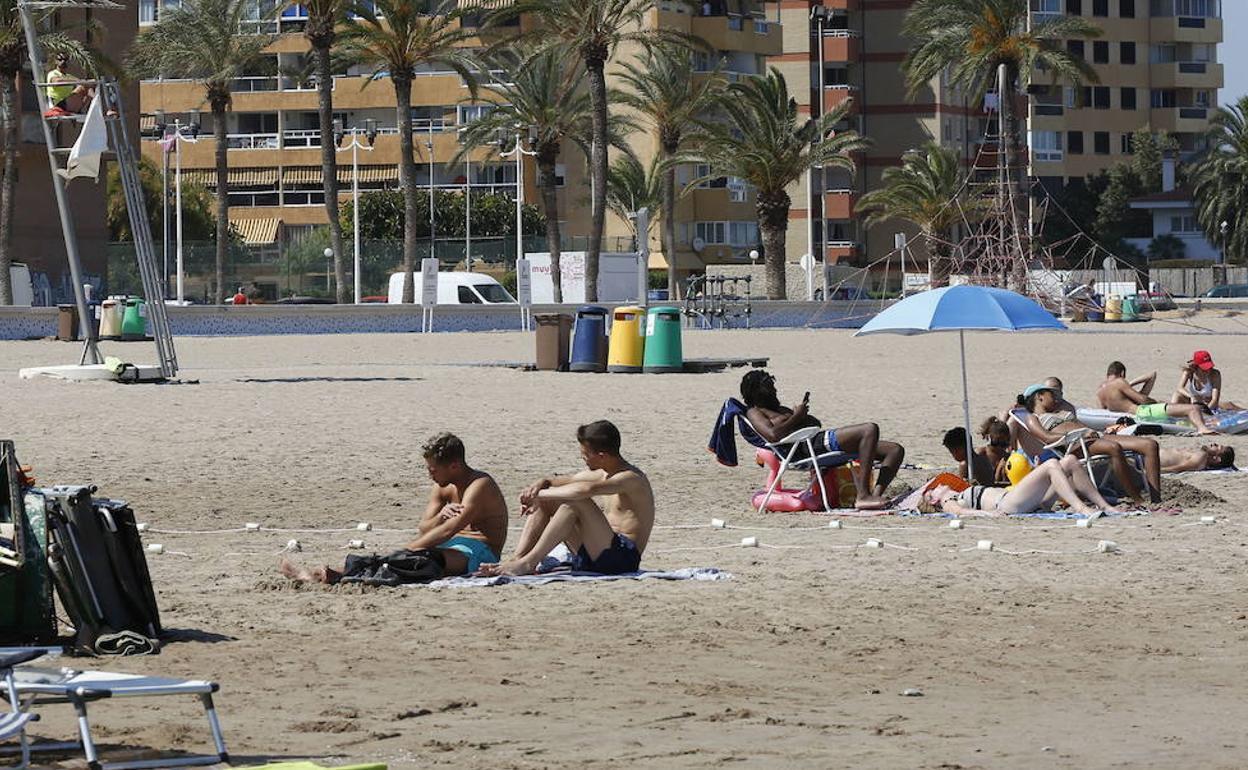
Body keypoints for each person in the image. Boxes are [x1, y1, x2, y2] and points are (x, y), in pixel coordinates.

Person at [280, 433, 508, 583]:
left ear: (455, 465)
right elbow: (424, 528)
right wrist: (439, 517)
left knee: (422, 559)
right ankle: (334, 574)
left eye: (433, 470)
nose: (430, 474)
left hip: (480, 551)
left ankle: (335, 575)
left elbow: (450, 530)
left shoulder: (480, 485)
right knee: (412, 556)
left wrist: (406, 549)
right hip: (449, 545)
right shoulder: (442, 485)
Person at [479, 420, 654, 577]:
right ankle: (518, 559)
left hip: (622, 558)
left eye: (585, 454)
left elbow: (585, 490)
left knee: (576, 501)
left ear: (602, 456)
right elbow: (566, 481)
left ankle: (528, 563)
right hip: (597, 552)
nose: (582, 458)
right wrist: (543, 483)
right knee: (553, 500)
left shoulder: (631, 479)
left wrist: (538, 495)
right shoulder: (604, 473)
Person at [738, 369, 905, 510]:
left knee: (894, 450)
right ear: (757, 392)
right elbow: (773, 435)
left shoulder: (779, 409)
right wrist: (796, 417)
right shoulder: (755, 412)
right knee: (869, 429)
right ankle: (862, 495)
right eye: (769, 387)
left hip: (815, 441)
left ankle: (874, 497)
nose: (774, 390)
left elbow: (815, 423)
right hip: (806, 449)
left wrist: (802, 416)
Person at [1024, 383, 1163, 505]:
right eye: (1051, 394)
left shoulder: (1060, 410)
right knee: (1114, 448)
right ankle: (1137, 499)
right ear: (1039, 396)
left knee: (1150, 445)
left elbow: (1069, 409)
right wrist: (1078, 435)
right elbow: (1047, 438)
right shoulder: (1033, 418)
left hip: (1094, 436)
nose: (1055, 398)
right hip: (1077, 444)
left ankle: (1156, 500)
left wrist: (1091, 431)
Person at [922, 454, 1121, 517]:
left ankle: (1105, 506)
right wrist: (990, 515)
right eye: (934, 489)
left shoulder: (959, 492)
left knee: (1068, 460)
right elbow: (961, 513)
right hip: (1007, 505)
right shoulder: (948, 501)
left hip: (1021, 500)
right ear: (934, 499)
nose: (939, 485)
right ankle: (1082, 508)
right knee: (1051, 464)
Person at [1097, 361, 1217, 434]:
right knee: (1193, 408)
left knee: (1176, 407)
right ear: (1122, 373)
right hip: (1143, 411)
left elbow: (1102, 411)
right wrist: (1153, 402)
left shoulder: (1100, 390)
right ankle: (1202, 429)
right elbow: (1142, 400)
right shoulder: (1120, 382)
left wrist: (1129, 386)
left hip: (1131, 412)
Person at [1171, 350, 1240, 412]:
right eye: (1204, 368)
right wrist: (1192, 396)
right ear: (1196, 366)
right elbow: (1179, 388)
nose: (1208, 370)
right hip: (1193, 403)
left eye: (1209, 367)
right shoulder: (1189, 372)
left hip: (1209, 406)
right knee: (1177, 395)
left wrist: (1205, 411)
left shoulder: (1215, 374)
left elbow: (1215, 400)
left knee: (1227, 405)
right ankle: (1172, 415)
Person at [43, 53, 93, 117]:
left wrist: (89, 81)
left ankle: (85, 108)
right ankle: (97, 105)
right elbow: (56, 81)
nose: (63, 61)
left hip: (69, 103)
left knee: (87, 86)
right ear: (56, 61)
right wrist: (79, 81)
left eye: (65, 60)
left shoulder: (68, 76)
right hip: (58, 105)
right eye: (60, 59)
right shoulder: (53, 73)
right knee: (83, 86)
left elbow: (81, 82)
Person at [1160, 444, 1236, 473]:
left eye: (1216, 446)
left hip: (1155, 459)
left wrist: (1157, 471)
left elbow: (1177, 468)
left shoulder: (1201, 458)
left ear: (1217, 459)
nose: (1212, 444)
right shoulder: (1202, 456)